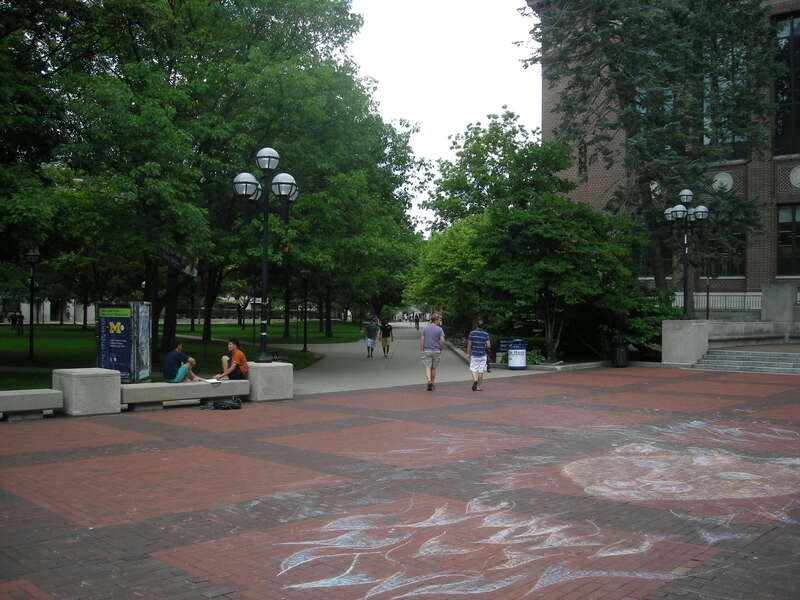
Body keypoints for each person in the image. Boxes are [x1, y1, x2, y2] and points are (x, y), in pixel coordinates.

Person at [420, 314, 445, 391]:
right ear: (436, 320)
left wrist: (422, 349)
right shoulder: (440, 329)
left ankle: (429, 380)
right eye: (439, 320)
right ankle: (433, 382)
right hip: (436, 350)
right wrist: (440, 348)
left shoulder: (425, 328)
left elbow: (422, 340)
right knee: (433, 368)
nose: (439, 322)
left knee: (427, 367)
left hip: (427, 350)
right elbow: (442, 340)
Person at [466, 320, 491, 391]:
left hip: (474, 354)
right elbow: (489, 345)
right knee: (481, 371)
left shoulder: (472, 333)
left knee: (473, 369)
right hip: (483, 355)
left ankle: (475, 380)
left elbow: (469, 344)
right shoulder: (486, 334)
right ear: (483, 326)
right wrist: (485, 345)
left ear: (477, 325)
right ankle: (478, 387)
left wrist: (468, 354)